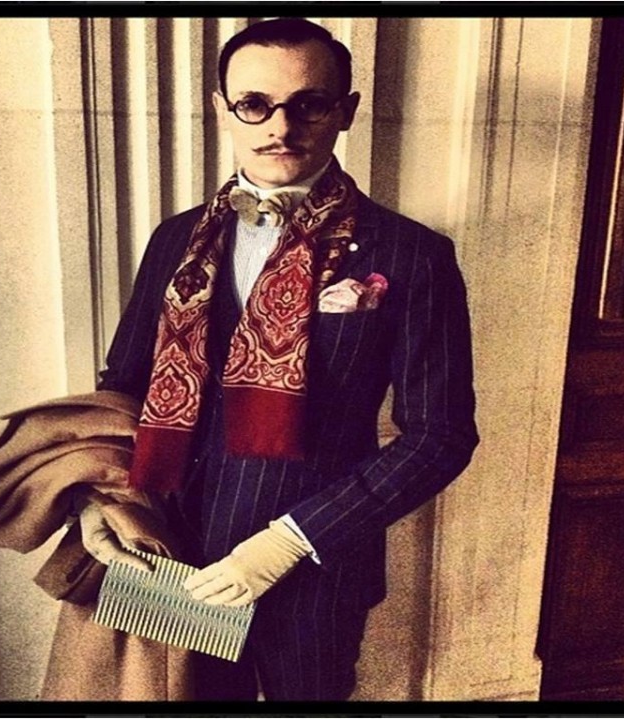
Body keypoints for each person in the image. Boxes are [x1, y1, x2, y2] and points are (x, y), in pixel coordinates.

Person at [82, 17, 479, 701]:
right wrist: (102, 500)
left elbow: (440, 436)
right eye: (255, 104)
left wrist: (290, 541)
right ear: (223, 110)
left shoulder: (412, 254)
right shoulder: (175, 238)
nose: (281, 127)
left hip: (315, 571)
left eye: (309, 104)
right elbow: (124, 386)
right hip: (172, 550)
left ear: (345, 110)